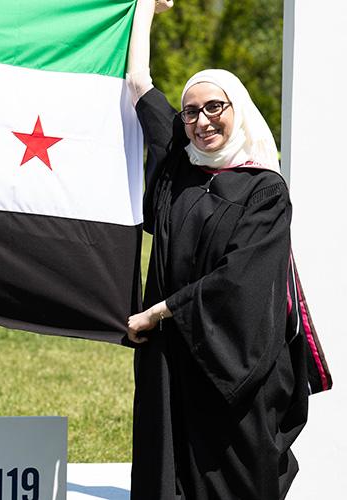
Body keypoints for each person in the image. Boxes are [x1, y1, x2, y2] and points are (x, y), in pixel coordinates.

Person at [124, 1, 309, 498]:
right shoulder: (178, 165)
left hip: (235, 371)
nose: (202, 120)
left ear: (238, 109)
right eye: (192, 111)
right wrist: (144, 8)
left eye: (215, 107)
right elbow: (139, 83)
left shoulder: (264, 190)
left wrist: (158, 312)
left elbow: (239, 283)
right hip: (170, 363)